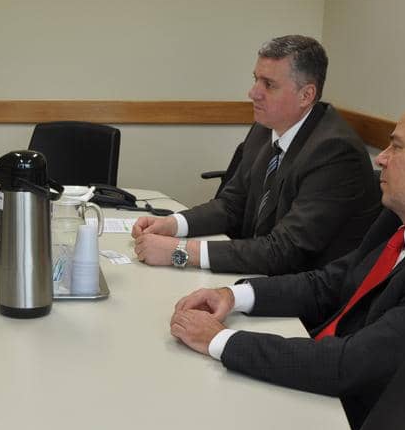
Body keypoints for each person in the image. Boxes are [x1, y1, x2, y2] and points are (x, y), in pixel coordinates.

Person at [169, 96, 405, 429]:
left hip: (358, 425)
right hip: (323, 376)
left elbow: (353, 365)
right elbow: (331, 282)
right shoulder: (403, 218)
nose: (381, 158)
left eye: (396, 146)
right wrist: (234, 295)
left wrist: (222, 341)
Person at [133, 35, 380, 275]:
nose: (253, 93)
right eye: (256, 80)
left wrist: (182, 252)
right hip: (255, 273)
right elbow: (231, 205)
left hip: (301, 296)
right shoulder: (265, 128)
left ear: (306, 95)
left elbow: (286, 250)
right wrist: (173, 224)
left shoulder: (335, 152)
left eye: (269, 85)